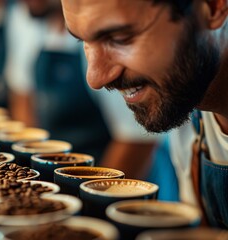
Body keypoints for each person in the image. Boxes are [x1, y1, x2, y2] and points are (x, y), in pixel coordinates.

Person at [61, 0, 228, 228]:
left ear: (213, 7)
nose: (95, 78)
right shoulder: (187, 103)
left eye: (119, 38)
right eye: (84, 41)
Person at [5, 0, 161, 176]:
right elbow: (22, 96)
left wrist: (91, 191)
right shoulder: (29, 23)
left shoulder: (103, 37)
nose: (94, 78)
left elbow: (136, 138)